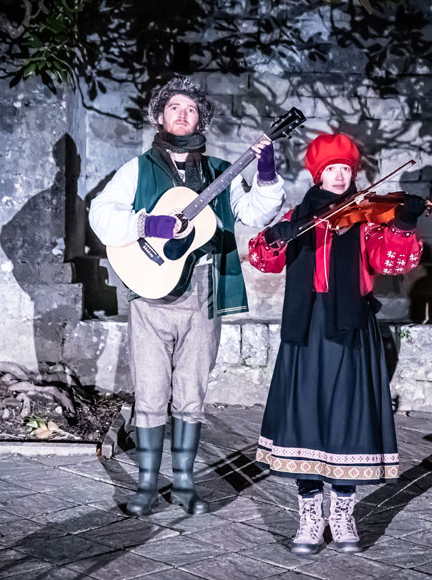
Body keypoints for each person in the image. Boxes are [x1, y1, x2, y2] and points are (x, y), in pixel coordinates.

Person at [88, 76, 285, 516]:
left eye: (191, 109)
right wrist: (150, 226)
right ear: (160, 116)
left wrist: (266, 171)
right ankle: (144, 485)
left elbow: (254, 213)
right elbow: (101, 214)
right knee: (151, 390)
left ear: (201, 120)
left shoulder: (219, 171)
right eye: (174, 106)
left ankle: (183, 483)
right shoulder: (137, 169)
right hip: (151, 295)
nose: (182, 114)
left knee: (192, 391)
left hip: (203, 290)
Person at [248, 134, 425, 554]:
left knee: (348, 418)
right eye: (332, 168)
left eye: (346, 168)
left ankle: (342, 512)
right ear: (318, 174)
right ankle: (310, 515)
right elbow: (261, 257)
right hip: (306, 326)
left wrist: (403, 224)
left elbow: (393, 261)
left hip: (350, 327)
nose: (341, 175)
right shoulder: (300, 214)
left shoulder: (364, 220)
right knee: (306, 417)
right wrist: (283, 231)